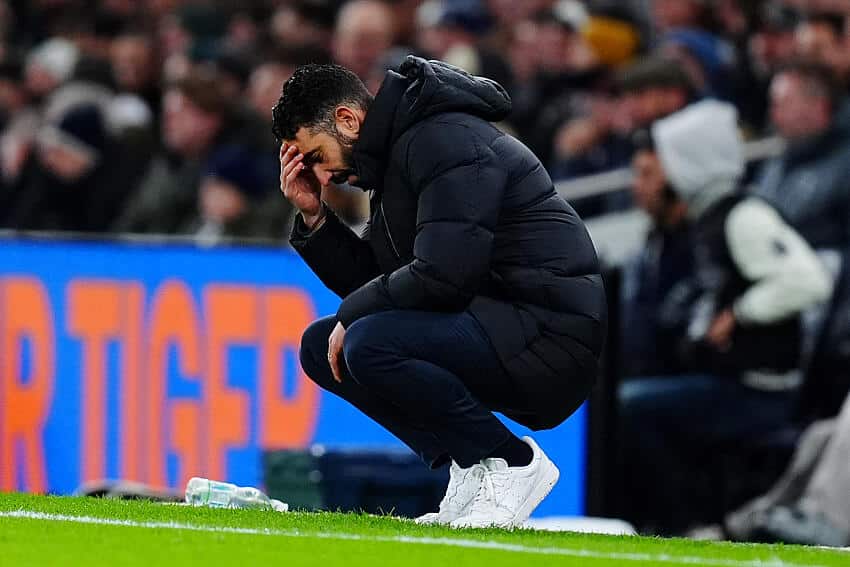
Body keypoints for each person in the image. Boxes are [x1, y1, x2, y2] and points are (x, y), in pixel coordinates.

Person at [273, 57, 607, 528]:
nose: (321, 176)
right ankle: (470, 463)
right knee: (320, 347)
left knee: (368, 341)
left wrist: (353, 313)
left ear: (347, 120)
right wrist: (315, 217)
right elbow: (382, 282)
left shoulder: (444, 139)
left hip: (549, 334)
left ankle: (513, 462)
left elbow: (445, 275)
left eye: (315, 156)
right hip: (499, 322)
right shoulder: (397, 157)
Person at [617, 100, 833, 535]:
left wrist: (740, 313)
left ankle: (687, 524)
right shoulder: (705, 219)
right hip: (728, 379)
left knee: (634, 405)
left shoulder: (743, 215)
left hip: (760, 390)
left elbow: (809, 281)